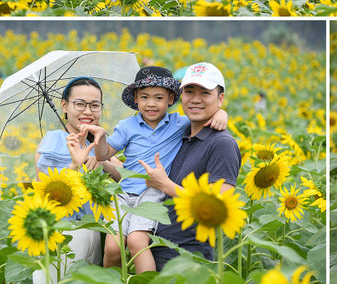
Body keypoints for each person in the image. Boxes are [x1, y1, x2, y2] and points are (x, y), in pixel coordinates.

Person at [79, 66, 228, 274]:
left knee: (137, 242)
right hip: (123, 193)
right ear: (136, 99)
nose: (151, 103)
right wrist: (101, 137)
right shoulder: (127, 126)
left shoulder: (179, 123)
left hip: (153, 192)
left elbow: (203, 115)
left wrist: (221, 113)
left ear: (170, 99)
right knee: (112, 247)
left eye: (159, 98)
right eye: (145, 97)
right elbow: (103, 154)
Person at [141, 62, 241, 271]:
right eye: (189, 91)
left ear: (220, 99)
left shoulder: (221, 144)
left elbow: (218, 205)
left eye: (205, 93)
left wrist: (166, 186)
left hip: (188, 259)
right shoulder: (180, 134)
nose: (195, 99)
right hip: (157, 250)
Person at [34, 77, 123, 284]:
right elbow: (46, 193)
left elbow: (126, 177)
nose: (88, 111)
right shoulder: (53, 140)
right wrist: (74, 165)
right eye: (80, 104)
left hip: (95, 233)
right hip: (62, 234)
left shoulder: (98, 143)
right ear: (65, 106)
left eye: (95, 105)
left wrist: (102, 162)